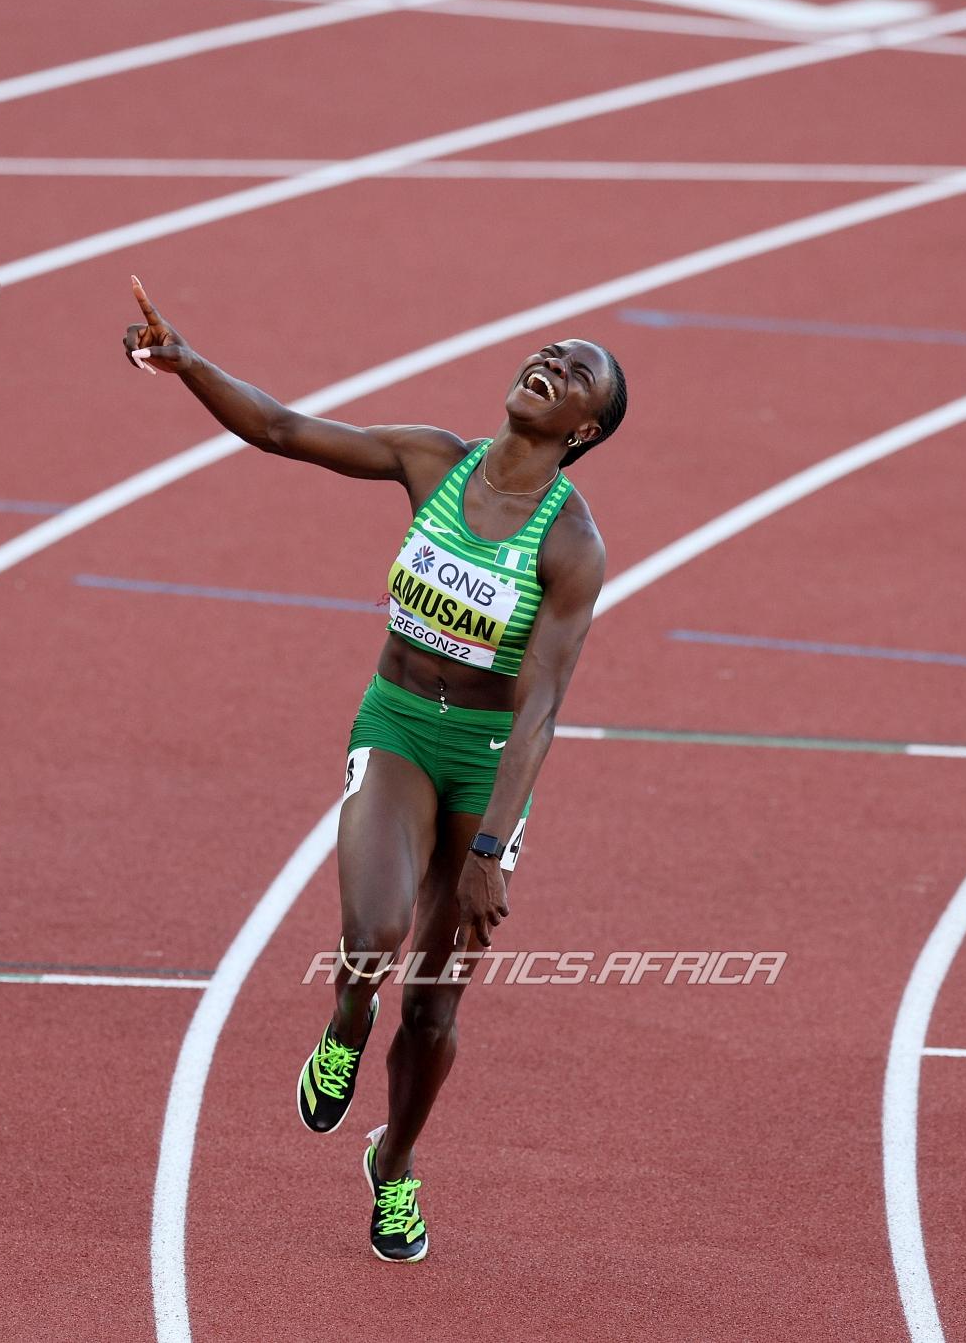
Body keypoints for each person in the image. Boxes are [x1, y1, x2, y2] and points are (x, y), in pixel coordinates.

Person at [124, 278, 622, 1262]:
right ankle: (346, 1020)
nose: (551, 365)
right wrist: (186, 363)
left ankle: (392, 1163)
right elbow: (280, 429)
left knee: (433, 1005)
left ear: (583, 430)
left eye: (576, 375)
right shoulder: (432, 457)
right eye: (550, 351)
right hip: (396, 725)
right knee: (372, 934)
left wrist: (489, 850)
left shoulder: (571, 545)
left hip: (485, 761)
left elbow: (541, 709)